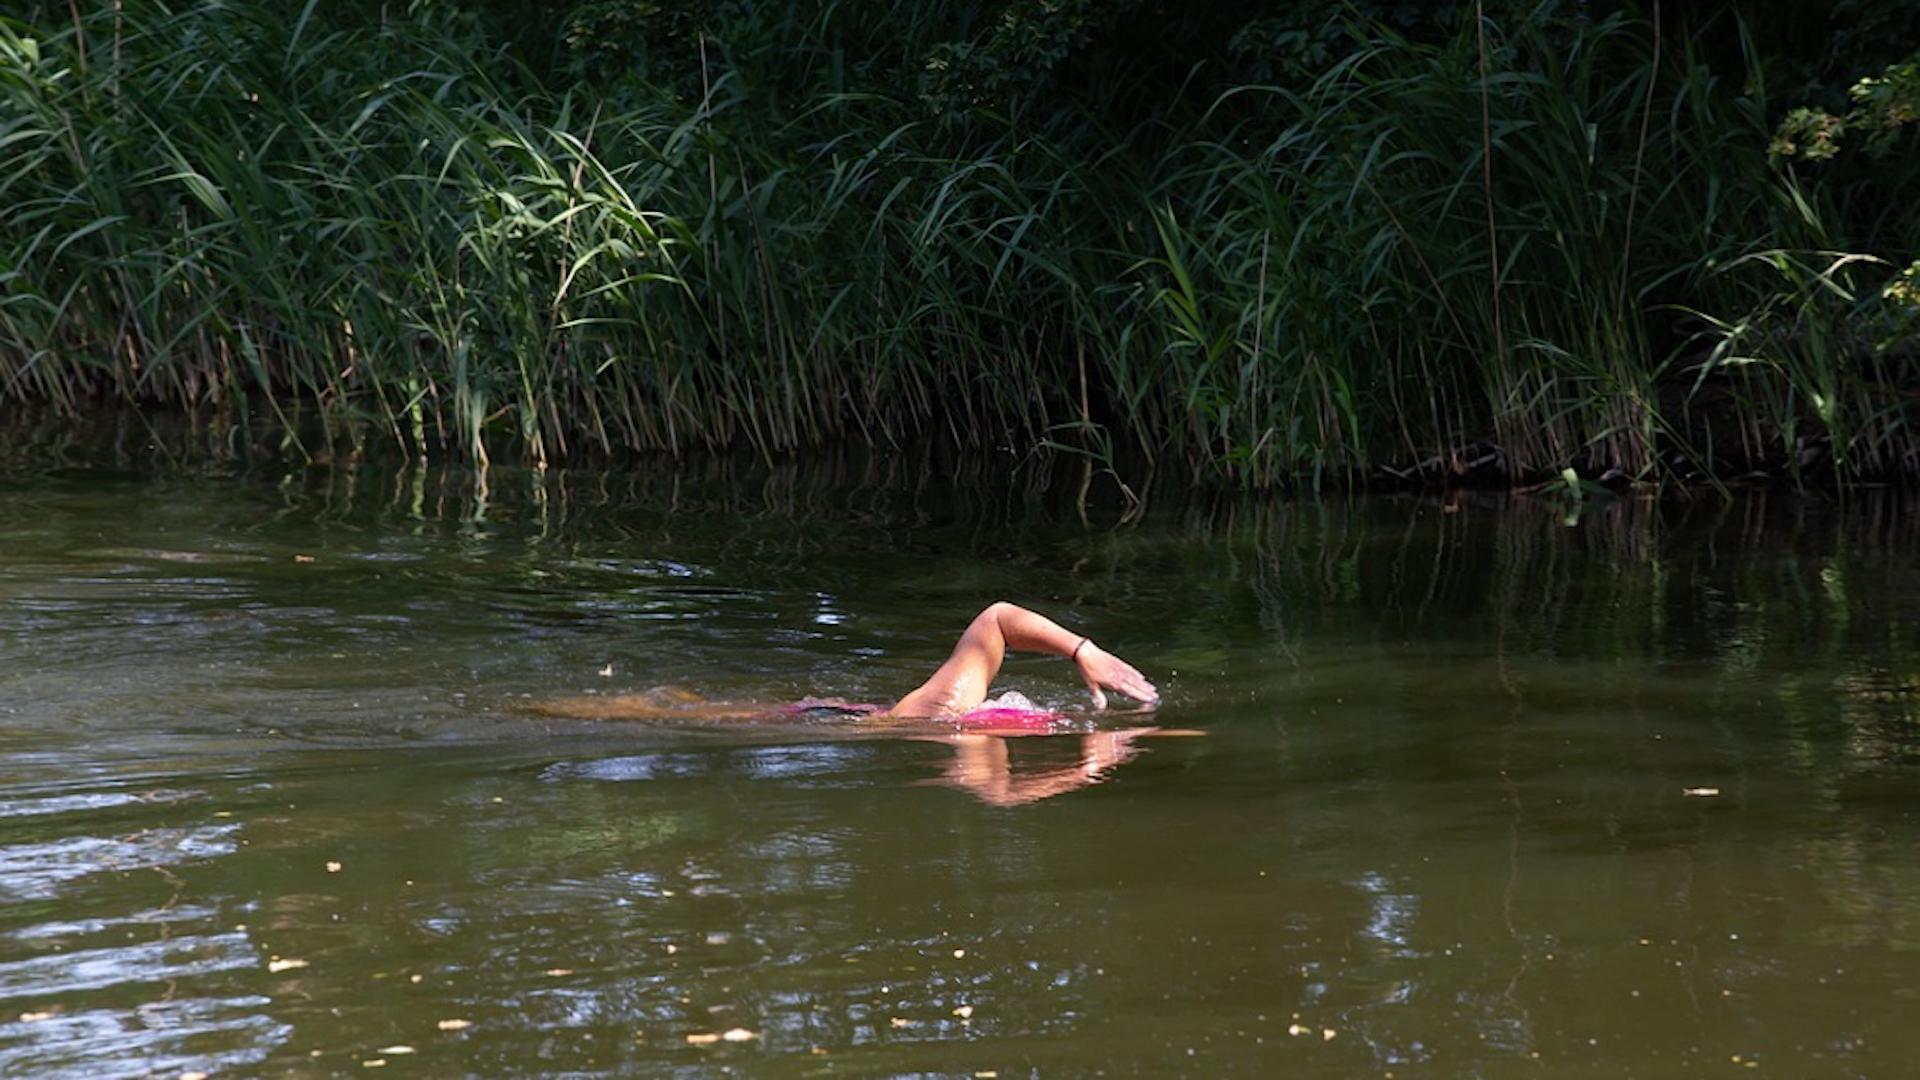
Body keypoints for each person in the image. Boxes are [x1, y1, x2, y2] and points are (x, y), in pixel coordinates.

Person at [530, 601, 1158, 725]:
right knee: (647, 716)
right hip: (802, 718)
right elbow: (995, 618)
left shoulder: (955, 720)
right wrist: (1082, 648)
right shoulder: (944, 711)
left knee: (686, 709)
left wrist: (1083, 651)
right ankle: (542, 705)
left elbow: (995, 621)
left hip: (833, 713)